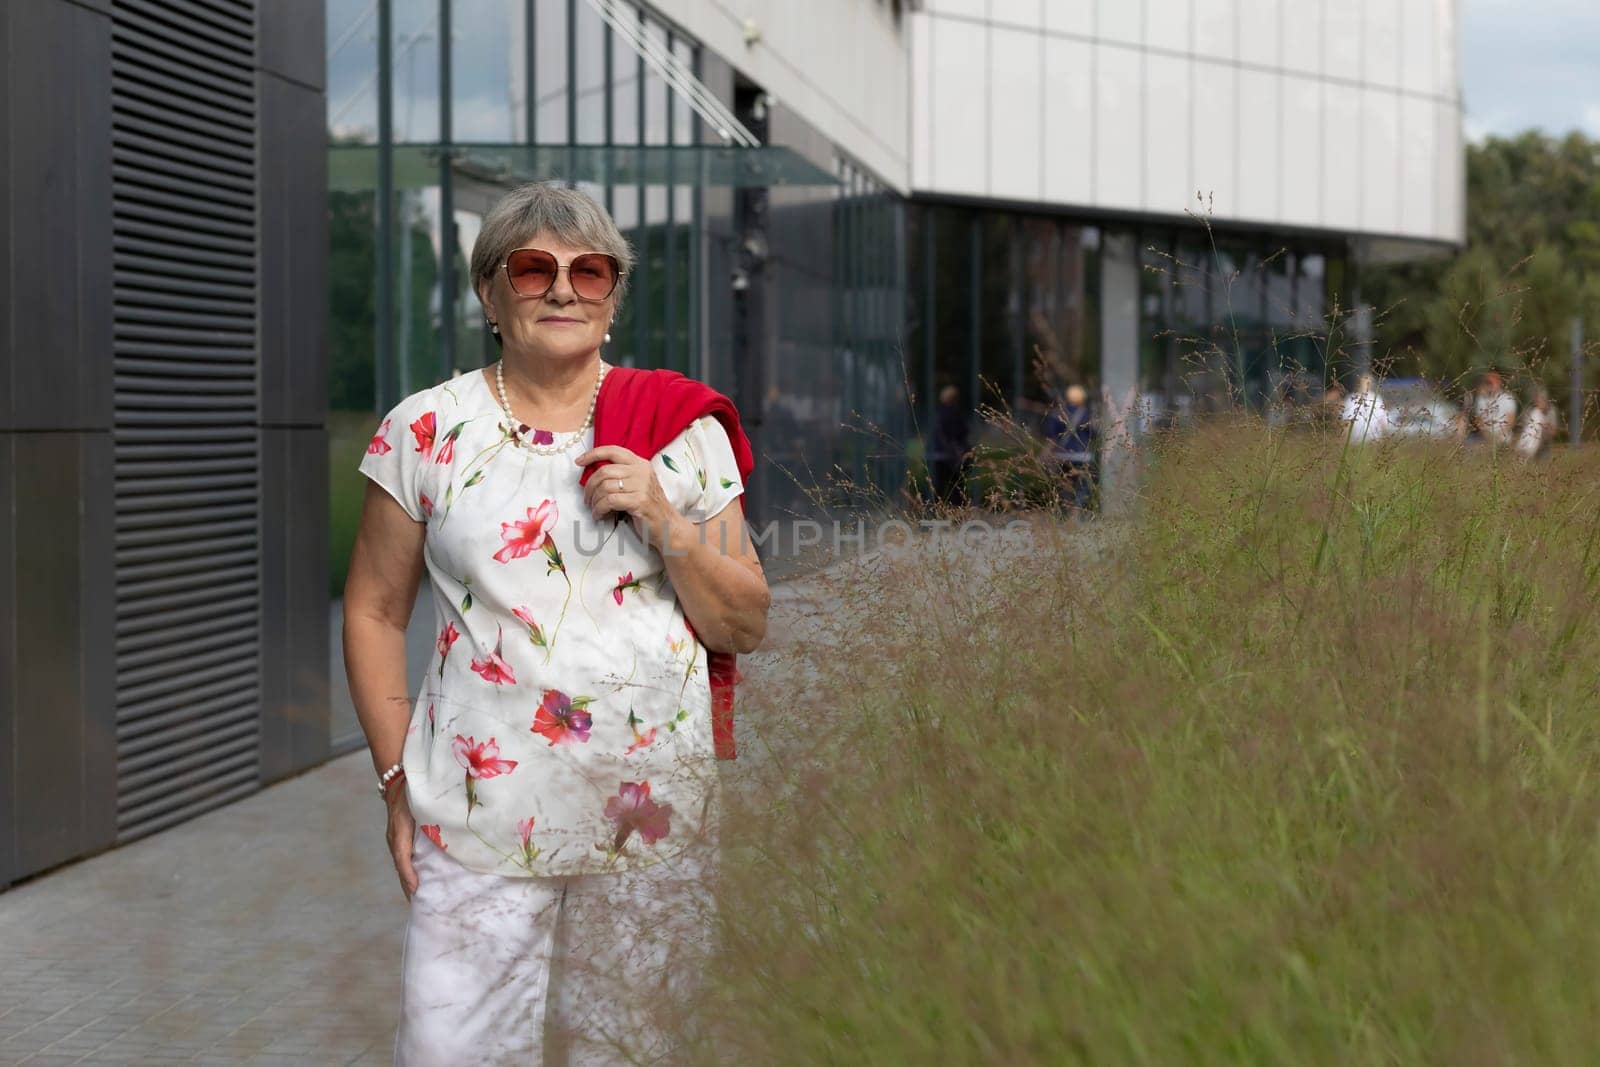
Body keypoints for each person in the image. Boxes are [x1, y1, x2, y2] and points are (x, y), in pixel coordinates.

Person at [343, 182, 771, 1065]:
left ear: (614, 297)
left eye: (590, 270)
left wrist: (664, 517)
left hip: (648, 819)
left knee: (632, 1049)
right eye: (534, 268)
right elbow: (374, 609)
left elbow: (744, 620)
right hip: (477, 817)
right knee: (447, 1049)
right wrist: (394, 779)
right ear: (490, 293)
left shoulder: (681, 432)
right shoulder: (425, 430)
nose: (563, 289)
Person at [1039, 384, 1097, 512]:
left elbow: (1052, 437)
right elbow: (1094, 434)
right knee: (1083, 486)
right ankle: (1076, 514)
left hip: (1063, 455)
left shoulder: (1058, 413)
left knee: (1065, 485)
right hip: (1083, 456)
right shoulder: (1087, 414)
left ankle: (1066, 511)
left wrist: (1045, 454)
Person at [928, 384, 972, 507]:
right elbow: (962, 432)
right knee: (957, 488)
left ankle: (937, 513)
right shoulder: (955, 414)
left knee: (939, 488)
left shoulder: (937, 413)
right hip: (953, 456)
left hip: (938, 455)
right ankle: (957, 515)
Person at [1464, 369, 1517, 447]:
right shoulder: (1481, 399)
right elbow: (1479, 420)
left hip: (1503, 437)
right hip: (1485, 437)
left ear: (1499, 383)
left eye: (1492, 383)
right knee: (1468, 443)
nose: (1490, 386)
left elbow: (1511, 421)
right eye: (1488, 383)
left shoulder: (1507, 398)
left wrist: (1498, 436)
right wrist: (1488, 436)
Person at [1338, 373, 1390, 444]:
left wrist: (1385, 440)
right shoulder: (1350, 399)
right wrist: (1343, 441)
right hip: (1355, 442)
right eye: (1364, 381)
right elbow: (1346, 423)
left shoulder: (1377, 399)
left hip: (1374, 441)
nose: (1366, 384)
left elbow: (1383, 421)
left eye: (1368, 382)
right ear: (1358, 383)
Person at [1516, 385, 1556, 460]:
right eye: (1537, 398)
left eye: (1541, 399)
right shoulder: (1529, 410)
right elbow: (1522, 427)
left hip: (1544, 445)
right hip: (1528, 445)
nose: (1538, 401)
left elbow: (1553, 431)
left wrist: (1545, 427)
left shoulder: (1550, 411)